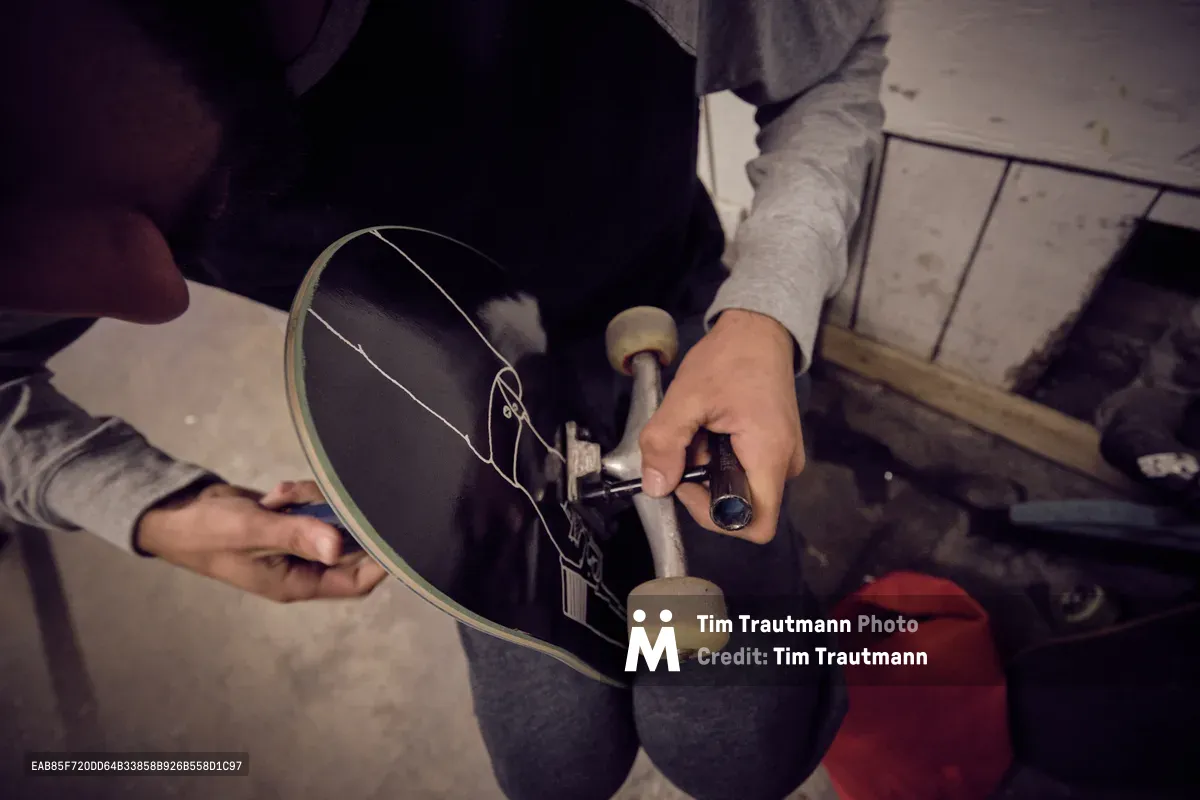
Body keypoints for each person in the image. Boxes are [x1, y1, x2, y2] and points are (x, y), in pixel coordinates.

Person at [1, 1, 889, 797]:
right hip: (483, 435)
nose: (158, 298)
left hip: (665, 329)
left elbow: (834, 56)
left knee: (734, 754)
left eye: (16, 174)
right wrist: (156, 508)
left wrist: (766, 314)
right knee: (556, 771)